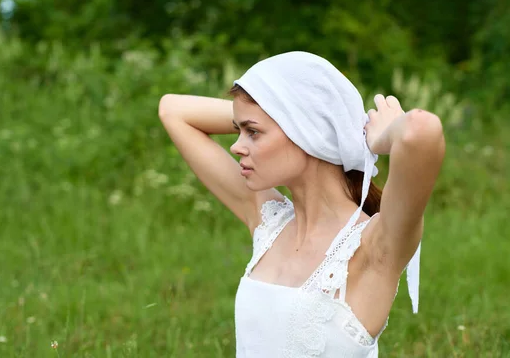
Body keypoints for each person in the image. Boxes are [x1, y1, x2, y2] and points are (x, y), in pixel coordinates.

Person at [158, 51, 445, 357]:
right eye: (239, 129)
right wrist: (261, 113)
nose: (237, 146)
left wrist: (377, 138)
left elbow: (420, 130)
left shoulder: (375, 245)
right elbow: (172, 109)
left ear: (307, 131)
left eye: (252, 132)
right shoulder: (269, 222)